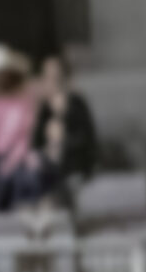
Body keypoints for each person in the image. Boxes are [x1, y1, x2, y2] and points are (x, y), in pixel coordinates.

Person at [0, 43, 42, 209]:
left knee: (22, 174)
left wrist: (11, 161)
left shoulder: (26, 99)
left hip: (23, 153)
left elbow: (27, 133)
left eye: (3, 74)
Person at [28, 50, 99, 206]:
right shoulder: (45, 106)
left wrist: (63, 142)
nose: (54, 79)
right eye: (49, 75)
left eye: (57, 75)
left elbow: (87, 137)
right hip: (49, 162)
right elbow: (36, 139)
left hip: (73, 161)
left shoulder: (77, 103)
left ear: (65, 76)